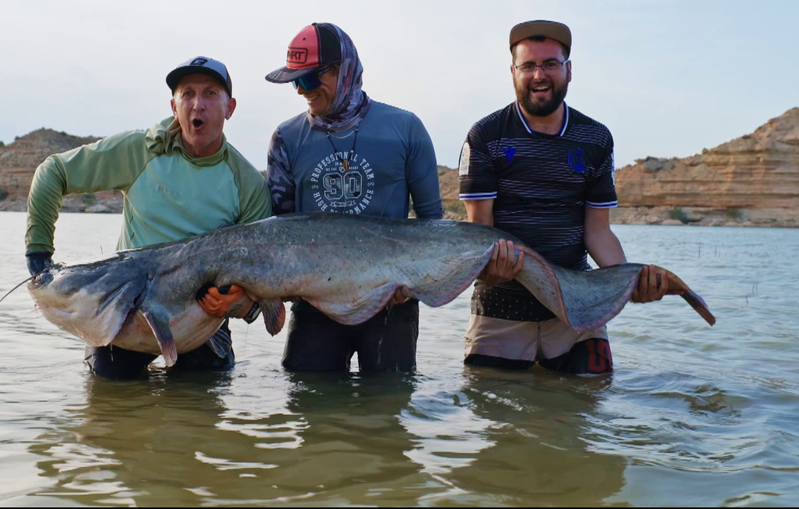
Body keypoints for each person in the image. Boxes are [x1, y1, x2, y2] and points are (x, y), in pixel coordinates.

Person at [24, 56, 272, 380]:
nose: (198, 105)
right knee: (109, 402)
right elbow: (51, 172)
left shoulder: (248, 184)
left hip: (201, 326)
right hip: (124, 313)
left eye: (210, 93)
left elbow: (264, 276)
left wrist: (239, 304)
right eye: (188, 94)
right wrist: (38, 256)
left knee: (202, 407)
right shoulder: (140, 151)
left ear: (230, 107)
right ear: (174, 106)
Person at [457, 20, 668, 375]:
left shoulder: (596, 139)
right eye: (528, 65)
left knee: (587, 417)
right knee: (496, 423)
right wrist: (493, 269)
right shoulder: (485, 136)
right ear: (513, 72)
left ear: (569, 71)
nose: (539, 75)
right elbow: (480, 232)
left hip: (578, 311)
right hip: (499, 312)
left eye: (551, 64)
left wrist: (629, 282)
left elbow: (598, 231)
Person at [262, 22, 443, 372]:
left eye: (311, 78)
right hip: (315, 307)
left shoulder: (406, 129)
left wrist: (415, 284)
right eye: (295, 81)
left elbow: (432, 227)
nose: (302, 90)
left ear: (344, 70)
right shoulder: (285, 139)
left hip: (392, 307)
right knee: (310, 413)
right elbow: (278, 233)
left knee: (386, 417)